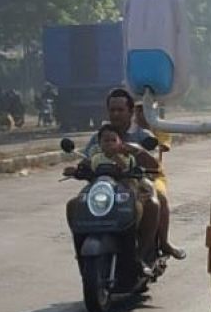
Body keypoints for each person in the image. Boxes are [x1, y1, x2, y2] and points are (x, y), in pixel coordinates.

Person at [84, 88, 185, 260]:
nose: (115, 114)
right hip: (105, 188)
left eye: (120, 110)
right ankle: (82, 253)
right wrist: (79, 169)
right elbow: (86, 159)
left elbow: (154, 165)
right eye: (112, 110)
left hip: (136, 186)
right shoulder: (98, 137)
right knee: (74, 205)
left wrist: (136, 151)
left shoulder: (142, 135)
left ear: (130, 112)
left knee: (155, 201)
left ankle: (147, 253)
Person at [66, 124, 161, 271]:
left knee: (151, 206)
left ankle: (142, 256)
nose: (109, 144)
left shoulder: (128, 154)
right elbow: (84, 167)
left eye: (113, 140)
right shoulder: (95, 156)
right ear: (99, 143)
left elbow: (149, 167)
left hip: (126, 192)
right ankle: (80, 253)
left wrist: (122, 156)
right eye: (106, 141)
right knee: (73, 205)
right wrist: (75, 171)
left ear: (120, 141)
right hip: (101, 194)